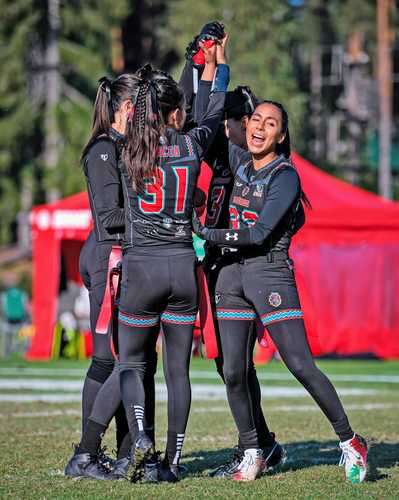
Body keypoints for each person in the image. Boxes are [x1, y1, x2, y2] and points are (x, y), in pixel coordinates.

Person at [194, 100, 367, 483]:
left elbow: (257, 234)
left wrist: (206, 233)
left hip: (269, 275)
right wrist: (212, 64)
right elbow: (205, 120)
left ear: (281, 135)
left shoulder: (285, 175)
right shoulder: (239, 163)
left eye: (270, 123)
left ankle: (350, 441)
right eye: (256, 120)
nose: (259, 128)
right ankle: (253, 451)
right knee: (234, 371)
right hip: (230, 277)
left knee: (300, 365)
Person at [117, 37, 229, 482]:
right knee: (177, 372)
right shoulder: (191, 143)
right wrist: (214, 63)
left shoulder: (127, 148)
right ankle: (174, 463)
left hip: (142, 266)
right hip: (183, 266)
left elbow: (141, 113)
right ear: (176, 113)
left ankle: (141, 435)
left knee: (131, 362)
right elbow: (215, 109)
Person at [65, 74, 158, 480]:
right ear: (126, 109)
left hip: (122, 257)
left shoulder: (124, 148)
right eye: (144, 109)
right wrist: (158, 217)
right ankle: (87, 455)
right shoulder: (103, 149)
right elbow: (109, 217)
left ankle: (122, 452)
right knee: (108, 360)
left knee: (124, 360)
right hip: (108, 259)